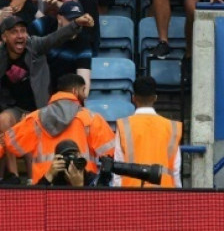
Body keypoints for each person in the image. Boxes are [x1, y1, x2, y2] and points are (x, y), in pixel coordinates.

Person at [0, 13, 95, 177]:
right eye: (14, 32)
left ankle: (33, 180)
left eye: (23, 31)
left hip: (39, 108)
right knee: (3, 121)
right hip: (14, 108)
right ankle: (13, 176)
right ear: (4, 37)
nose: (20, 35)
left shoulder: (35, 45)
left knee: (29, 129)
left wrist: (75, 24)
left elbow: (55, 38)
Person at [0, 73, 114, 185]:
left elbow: (8, 144)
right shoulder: (92, 119)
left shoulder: (34, 119)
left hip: (45, 190)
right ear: (75, 91)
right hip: (81, 187)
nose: (85, 96)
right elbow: (112, 153)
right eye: (83, 90)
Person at [112, 76, 181, 188]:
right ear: (155, 98)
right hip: (164, 192)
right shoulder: (172, 127)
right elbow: (176, 169)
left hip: (132, 193)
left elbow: (118, 167)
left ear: (134, 98)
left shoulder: (124, 125)